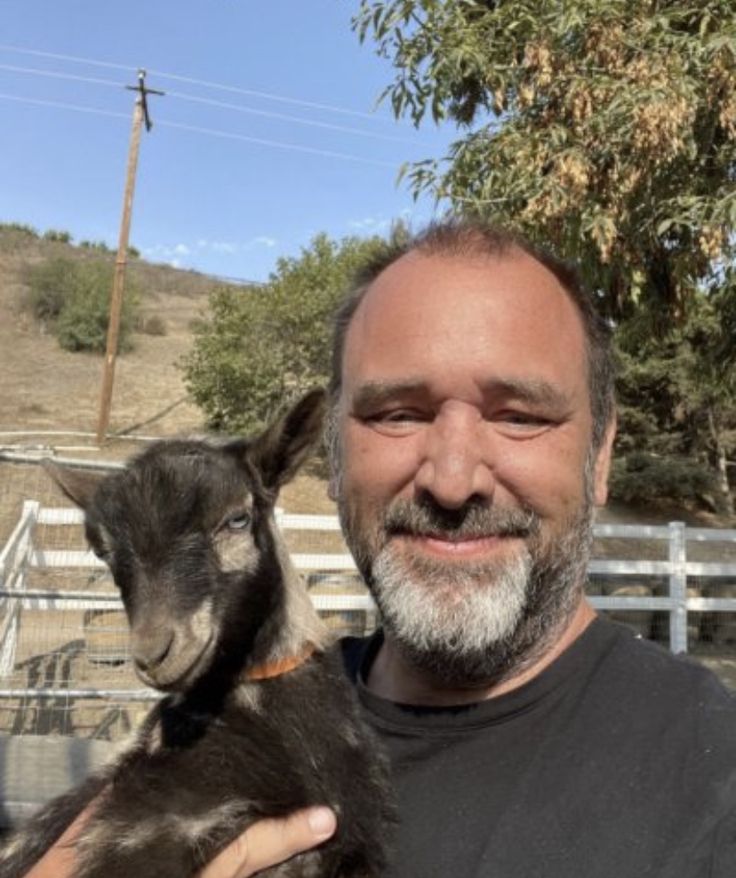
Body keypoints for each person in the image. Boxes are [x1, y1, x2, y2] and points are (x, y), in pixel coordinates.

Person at [23, 220, 736, 877]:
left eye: (519, 416)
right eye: (398, 414)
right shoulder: (198, 730)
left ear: (600, 457)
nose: (453, 481)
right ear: (331, 456)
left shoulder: (710, 772)